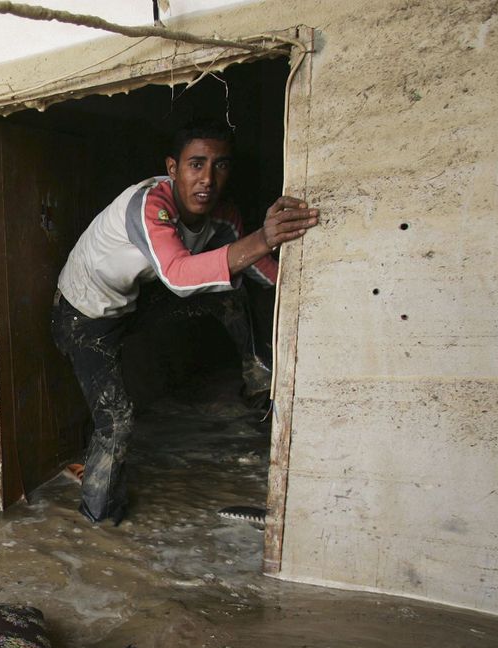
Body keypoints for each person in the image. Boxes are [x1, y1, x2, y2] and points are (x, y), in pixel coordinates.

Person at [52, 119, 318, 526]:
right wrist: (263, 237)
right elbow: (178, 275)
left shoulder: (222, 214)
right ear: (173, 168)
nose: (207, 179)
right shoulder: (148, 205)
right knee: (117, 418)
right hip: (83, 316)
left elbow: (257, 268)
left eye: (220, 165)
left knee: (229, 287)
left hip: (134, 303)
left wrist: (313, 296)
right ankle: (97, 518)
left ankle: (258, 378)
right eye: (196, 164)